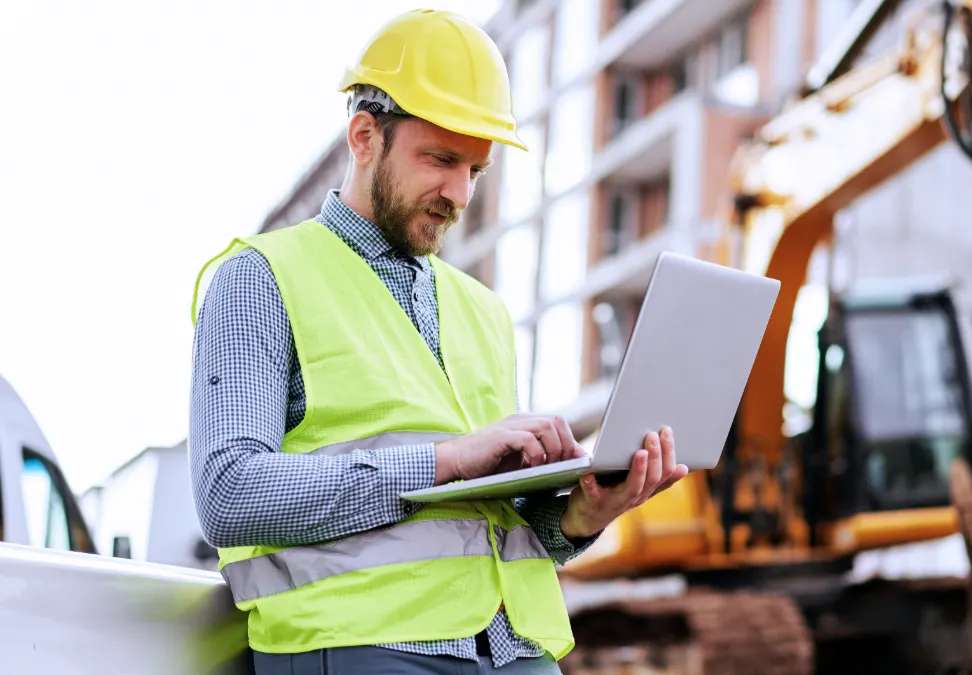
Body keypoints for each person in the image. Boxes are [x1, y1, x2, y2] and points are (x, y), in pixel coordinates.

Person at [187, 8, 688, 675]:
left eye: (476, 171)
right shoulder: (260, 278)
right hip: (364, 643)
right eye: (441, 159)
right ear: (364, 137)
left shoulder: (483, 312)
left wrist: (583, 516)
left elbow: (492, 527)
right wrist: (445, 459)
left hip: (516, 649)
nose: (458, 193)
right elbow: (230, 495)